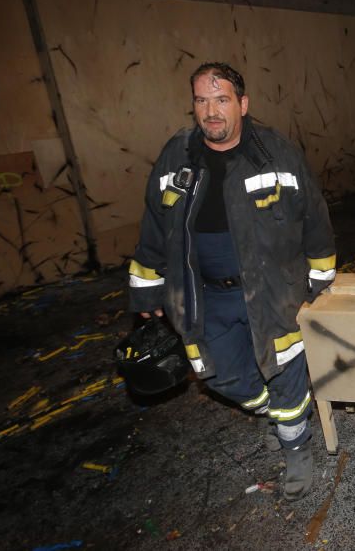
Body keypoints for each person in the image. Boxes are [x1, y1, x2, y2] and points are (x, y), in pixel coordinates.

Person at [128, 62, 336, 501]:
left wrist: (320, 276)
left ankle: (296, 450)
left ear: (242, 104)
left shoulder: (275, 152)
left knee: (284, 370)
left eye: (221, 100)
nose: (212, 111)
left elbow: (313, 214)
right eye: (202, 101)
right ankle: (278, 417)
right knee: (217, 373)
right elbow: (156, 223)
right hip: (203, 296)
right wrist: (146, 285)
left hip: (273, 290)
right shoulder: (176, 155)